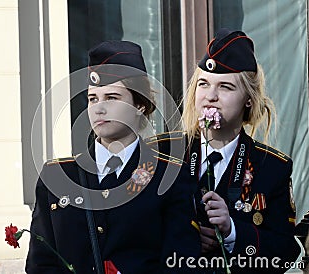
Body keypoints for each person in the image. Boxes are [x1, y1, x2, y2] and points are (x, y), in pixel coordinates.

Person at [26, 40, 201, 274]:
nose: (99, 108)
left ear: (140, 104)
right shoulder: (57, 176)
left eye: (112, 97)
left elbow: (180, 262)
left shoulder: (169, 175)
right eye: (92, 99)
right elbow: (41, 264)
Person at [180, 28, 301, 273]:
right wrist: (185, 236)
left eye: (225, 87)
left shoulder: (272, 167)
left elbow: (285, 252)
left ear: (248, 98)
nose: (210, 97)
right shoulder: (163, 154)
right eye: (203, 84)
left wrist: (232, 231)